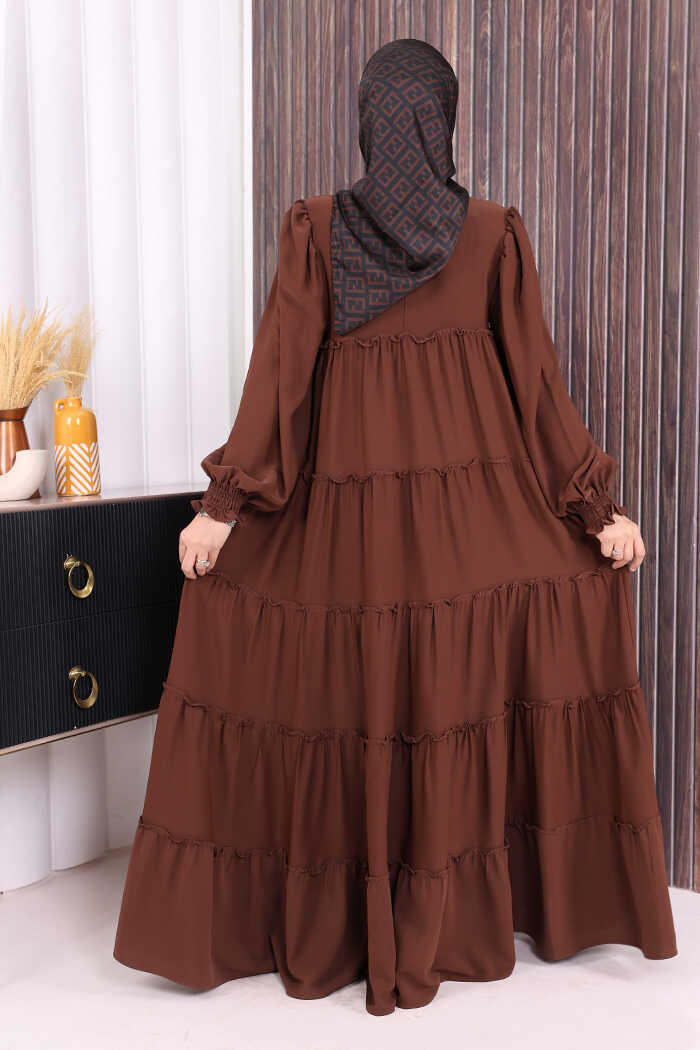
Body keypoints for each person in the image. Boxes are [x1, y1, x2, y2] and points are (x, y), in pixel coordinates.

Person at [113, 37, 677, 1016]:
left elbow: (280, 382)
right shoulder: (491, 232)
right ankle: (450, 915)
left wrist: (224, 509)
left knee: (348, 694)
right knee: (452, 695)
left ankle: (350, 918)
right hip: (470, 533)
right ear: (445, 121)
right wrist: (594, 511)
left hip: (348, 533)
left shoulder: (319, 229)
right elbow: (537, 391)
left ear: (369, 121)